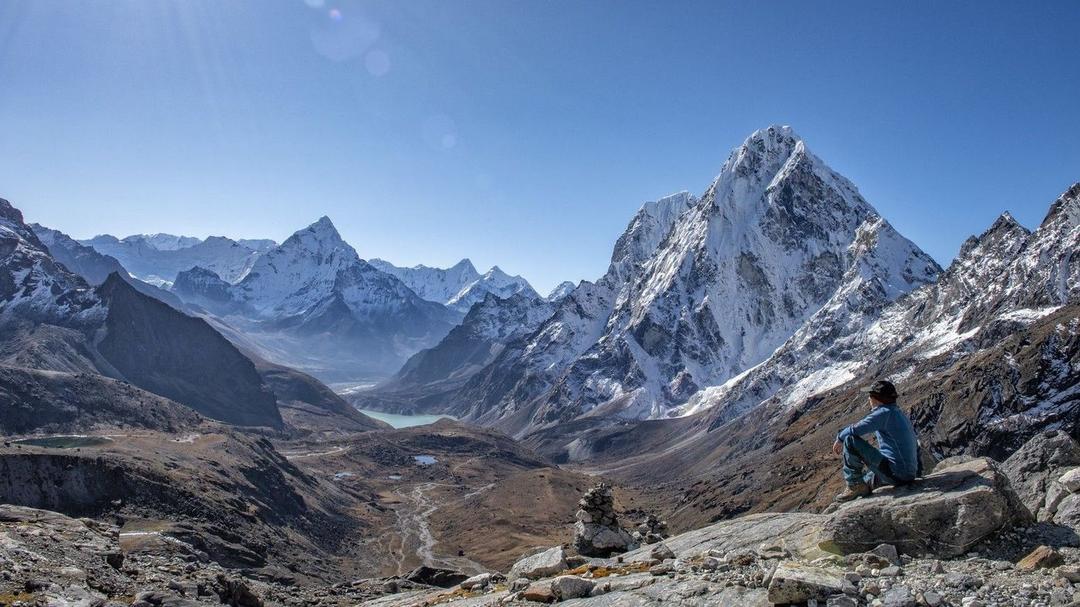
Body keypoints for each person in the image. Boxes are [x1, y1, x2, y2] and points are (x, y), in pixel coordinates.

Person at [832, 379, 919, 502]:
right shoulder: (897, 412)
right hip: (908, 473)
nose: (869, 399)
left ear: (876, 399)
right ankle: (862, 485)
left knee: (850, 441)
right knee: (867, 479)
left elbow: (855, 430)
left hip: (897, 473)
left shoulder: (883, 413)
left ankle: (854, 485)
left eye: (870, 396)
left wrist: (840, 438)